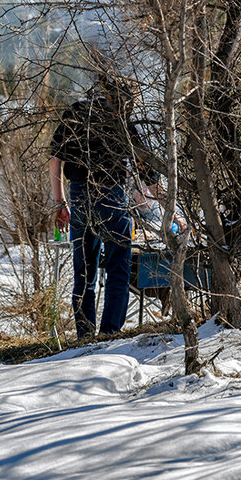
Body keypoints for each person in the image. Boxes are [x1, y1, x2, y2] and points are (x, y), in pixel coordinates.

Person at [49, 63, 161, 339]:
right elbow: (146, 170)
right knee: (117, 268)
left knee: (84, 272)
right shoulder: (121, 122)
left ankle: (85, 336)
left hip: (79, 196)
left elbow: (55, 160)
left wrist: (60, 203)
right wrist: (170, 208)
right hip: (111, 196)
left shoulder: (74, 113)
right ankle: (110, 333)